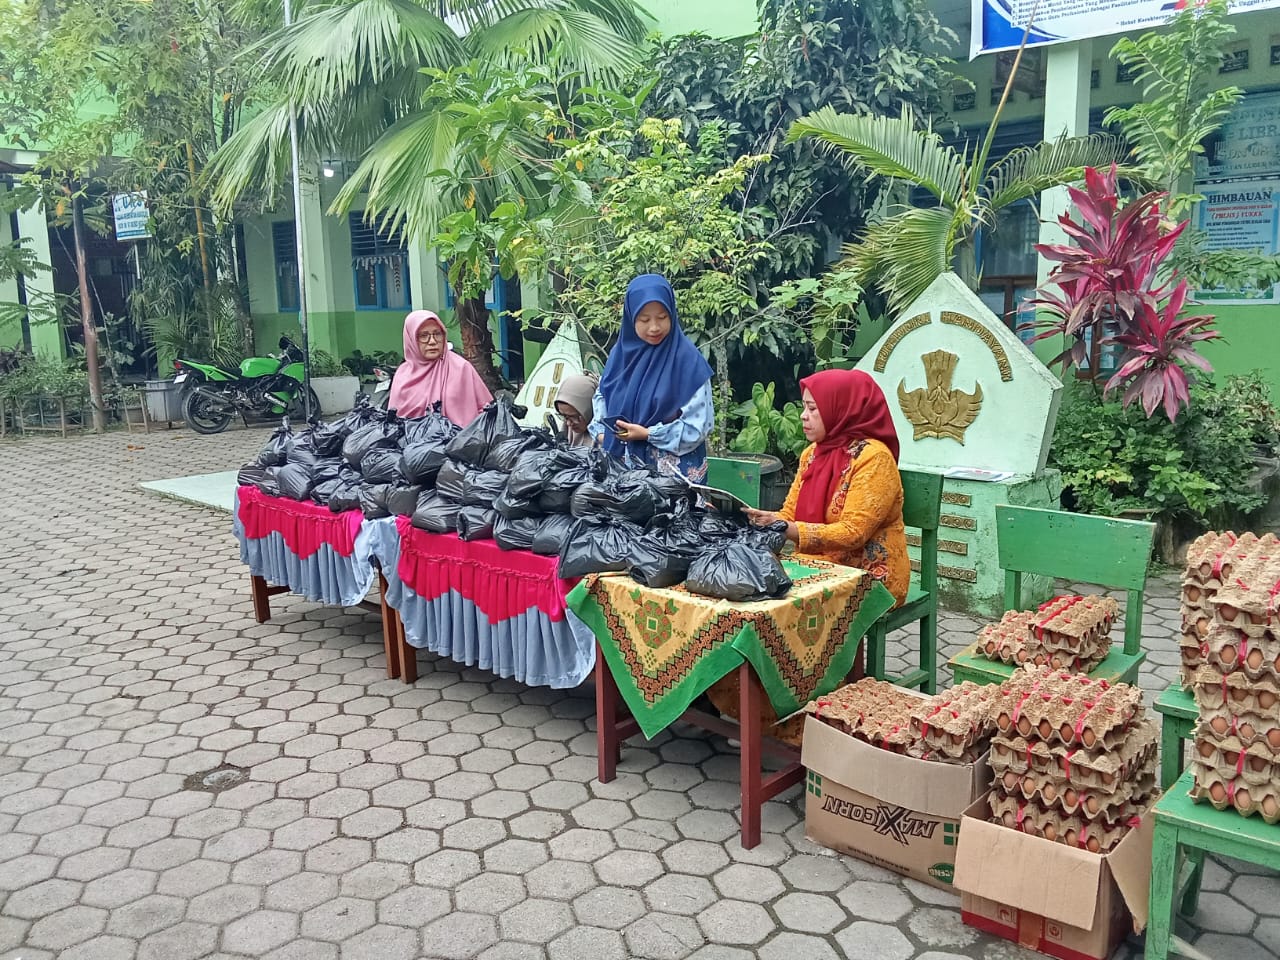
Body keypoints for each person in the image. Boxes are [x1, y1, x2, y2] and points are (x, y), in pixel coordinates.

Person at [711, 368, 909, 746]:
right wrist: (763, 520)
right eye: (804, 408)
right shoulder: (811, 454)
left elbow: (853, 532)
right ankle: (764, 712)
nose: (804, 417)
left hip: (869, 571)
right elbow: (790, 512)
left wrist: (789, 529)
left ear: (841, 410)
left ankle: (818, 718)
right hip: (818, 563)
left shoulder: (874, 459)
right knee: (748, 609)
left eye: (813, 410)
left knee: (795, 615)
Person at [591, 274, 714, 481]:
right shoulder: (620, 357)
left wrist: (648, 434)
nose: (654, 327)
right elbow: (602, 397)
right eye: (644, 320)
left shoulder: (688, 361)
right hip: (623, 477)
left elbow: (699, 426)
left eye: (663, 317)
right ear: (631, 318)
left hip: (673, 481)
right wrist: (604, 434)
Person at [388, 309, 492, 425]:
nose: (432, 341)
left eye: (437, 334)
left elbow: (487, 410)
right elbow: (393, 422)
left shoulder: (461, 368)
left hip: (461, 436)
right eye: (424, 335)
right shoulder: (403, 375)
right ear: (411, 339)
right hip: (412, 436)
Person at [554, 373, 598, 448]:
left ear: (589, 410)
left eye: (573, 417)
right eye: (564, 416)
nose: (568, 423)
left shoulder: (606, 436)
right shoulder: (567, 433)